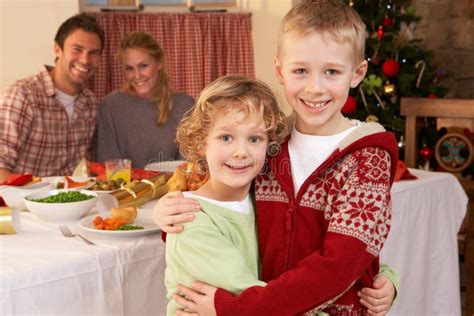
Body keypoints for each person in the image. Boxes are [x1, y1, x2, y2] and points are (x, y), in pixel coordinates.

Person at [154, 0, 399, 315]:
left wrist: (233, 307)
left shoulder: (367, 161)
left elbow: (342, 263)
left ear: (357, 73)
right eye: (300, 70)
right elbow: (226, 204)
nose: (315, 87)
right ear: (280, 71)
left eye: (332, 72)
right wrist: (170, 215)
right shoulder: (269, 143)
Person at [165, 74, 289, 315]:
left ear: (269, 144)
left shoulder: (262, 200)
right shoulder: (189, 221)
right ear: (202, 142)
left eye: (254, 138)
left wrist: (384, 275)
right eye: (226, 137)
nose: (241, 152)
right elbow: (249, 293)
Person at [0, 13, 104, 182]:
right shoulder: (22, 95)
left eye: (93, 53)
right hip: (17, 204)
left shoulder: (91, 104)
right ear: (57, 49)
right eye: (77, 49)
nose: (85, 60)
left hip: (62, 203)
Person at [95, 31, 194, 169]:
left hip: (173, 189)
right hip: (124, 189)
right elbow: (108, 165)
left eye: (143, 66)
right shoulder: (110, 107)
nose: (137, 76)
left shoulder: (185, 105)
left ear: (159, 62)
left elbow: (188, 164)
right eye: (129, 68)